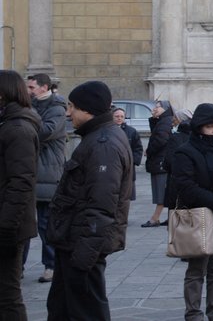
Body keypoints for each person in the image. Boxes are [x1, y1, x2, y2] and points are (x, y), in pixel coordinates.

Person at [46, 80, 133, 321]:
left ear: (88, 109)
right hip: (73, 243)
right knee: (63, 309)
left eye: (72, 106)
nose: (67, 112)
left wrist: (84, 256)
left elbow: (102, 205)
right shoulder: (96, 138)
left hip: (82, 248)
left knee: (86, 313)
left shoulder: (103, 144)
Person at [166, 103, 213, 321]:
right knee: (197, 270)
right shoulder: (185, 152)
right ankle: (193, 313)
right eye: (210, 127)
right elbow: (186, 186)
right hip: (199, 218)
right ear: (199, 127)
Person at [0, 70, 41, 319]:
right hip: (7, 220)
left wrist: (6, 228)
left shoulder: (18, 129)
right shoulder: (8, 124)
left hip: (9, 225)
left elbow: (21, 182)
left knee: (8, 296)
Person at [23, 73, 67, 284]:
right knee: (21, 224)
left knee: (46, 225)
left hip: (47, 174)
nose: (28, 91)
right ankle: (18, 266)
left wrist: (26, 113)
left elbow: (46, 131)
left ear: (44, 87)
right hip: (28, 173)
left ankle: (50, 265)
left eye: (32, 87)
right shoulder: (30, 105)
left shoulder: (57, 107)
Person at [142, 99, 174, 227]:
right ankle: (170, 217)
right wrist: (154, 119)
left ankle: (155, 218)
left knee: (161, 191)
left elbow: (160, 139)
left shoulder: (165, 122)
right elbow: (156, 133)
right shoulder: (162, 121)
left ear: (165, 109)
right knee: (161, 190)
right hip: (159, 160)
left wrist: (149, 151)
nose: (155, 109)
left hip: (161, 160)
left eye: (158, 107)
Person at [113, 107, 143, 200]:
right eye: (117, 116)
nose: (119, 118)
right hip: (113, 166)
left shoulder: (131, 131)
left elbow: (138, 148)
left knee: (126, 197)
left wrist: (131, 161)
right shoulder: (107, 130)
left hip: (127, 168)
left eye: (122, 116)